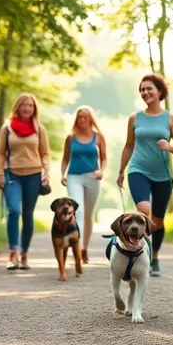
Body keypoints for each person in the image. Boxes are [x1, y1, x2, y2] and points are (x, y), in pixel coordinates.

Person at [116, 73, 173, 277]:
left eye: (149, 89)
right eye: (142, 90)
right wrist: (121, 170)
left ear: (159, 92)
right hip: (138, 170)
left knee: (158, 220)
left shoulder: (170, 118)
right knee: (144, 210)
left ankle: (154, 256)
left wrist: (170, 146)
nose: (145, 92)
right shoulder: (135, 118)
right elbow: (129, 146)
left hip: (163, 175)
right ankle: (140, 252)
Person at [0, 93, 51, 271]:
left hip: (34, 175)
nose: (27, 108)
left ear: (34, 109)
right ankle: (13, 253)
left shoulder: (39, 129)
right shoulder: (7, 128)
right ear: (17, 107)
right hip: (12, 174)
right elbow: (0, 153)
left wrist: (46, 172)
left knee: (27, 214)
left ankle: (24, 254)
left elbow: (45, 153)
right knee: (14, 210)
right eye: (24, 105)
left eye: (30, 106)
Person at [60, 106, 107, 263]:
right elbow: (65, 158)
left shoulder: (98, 137)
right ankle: (78, 248)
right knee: (77, 210)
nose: (82, 120)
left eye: (85, 117)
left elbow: (104, 158)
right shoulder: (71, 138)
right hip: (74, 177)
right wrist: (62, 174)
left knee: (88, 215)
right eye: (80, 117)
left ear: (90, 119)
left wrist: (102, 171)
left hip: (92, 177)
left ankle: (85, 248)